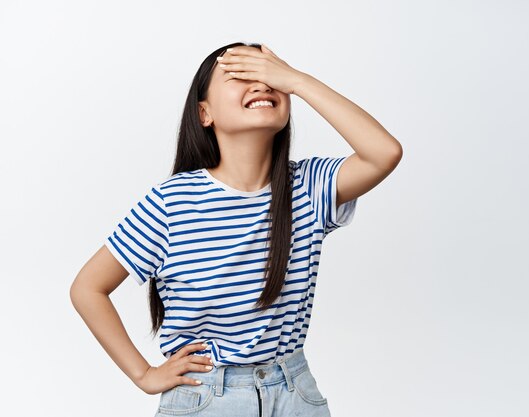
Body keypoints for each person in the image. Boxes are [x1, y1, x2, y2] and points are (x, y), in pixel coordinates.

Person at [70, 41, 403, 416]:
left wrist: (298, 80)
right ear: (204, 113)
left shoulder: (309, 187)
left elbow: (384, 152)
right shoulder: (172, 202)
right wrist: (144, 374)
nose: (262, 84)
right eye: (241, 75)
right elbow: (88, 287)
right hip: (206, 397)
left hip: (294, 393)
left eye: (268, 75)